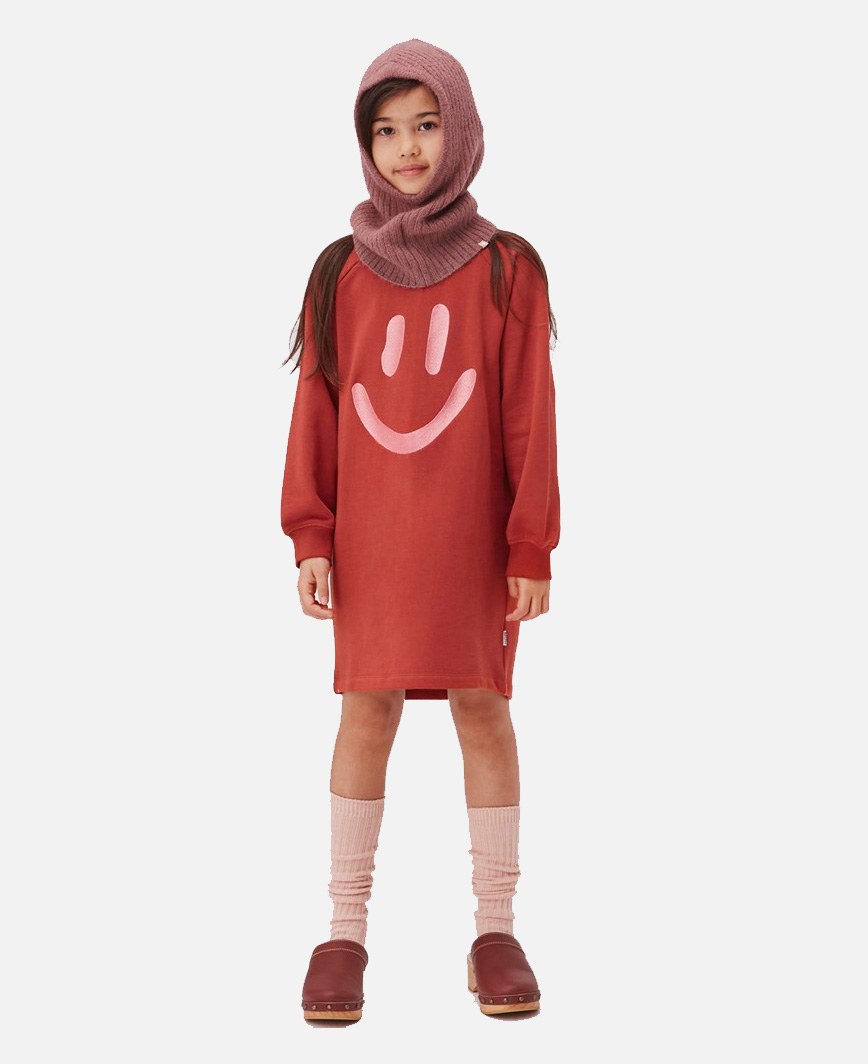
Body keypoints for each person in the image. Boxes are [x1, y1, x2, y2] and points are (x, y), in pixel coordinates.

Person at [280, 38, 560, 1022]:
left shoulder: (508, 269)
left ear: (462, 129)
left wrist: (530, 545)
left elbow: (528, 416)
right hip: (374, 545)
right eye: (387, 130)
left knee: (484, 710)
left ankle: (496, 929)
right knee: (367, 713)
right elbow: (316, 412)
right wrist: (311, 535)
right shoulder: (338, 273)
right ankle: (343, 932)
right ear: (365, 145)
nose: (407, 148)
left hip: (471, 543)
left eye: (427, 124)